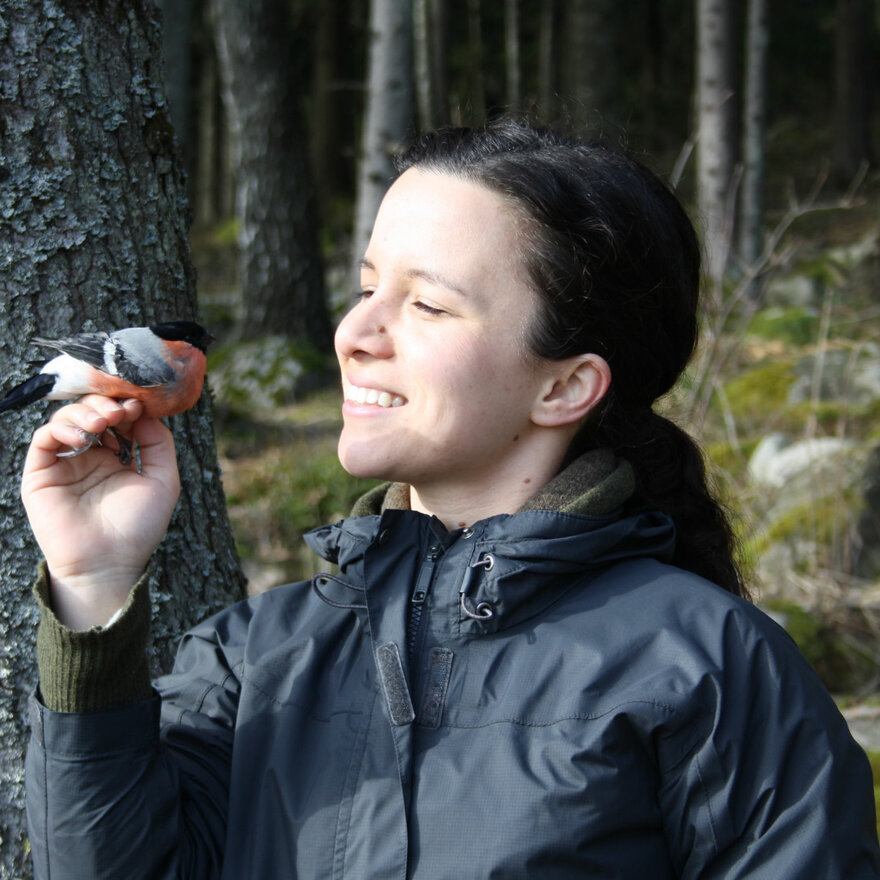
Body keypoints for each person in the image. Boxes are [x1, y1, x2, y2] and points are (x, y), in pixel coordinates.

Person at [21, 119, 880, 879]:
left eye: (426, 304)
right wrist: (93, 587)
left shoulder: (712, 668)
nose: (355, 336)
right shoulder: (251, 659)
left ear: (567, 385)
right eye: (366, 290)